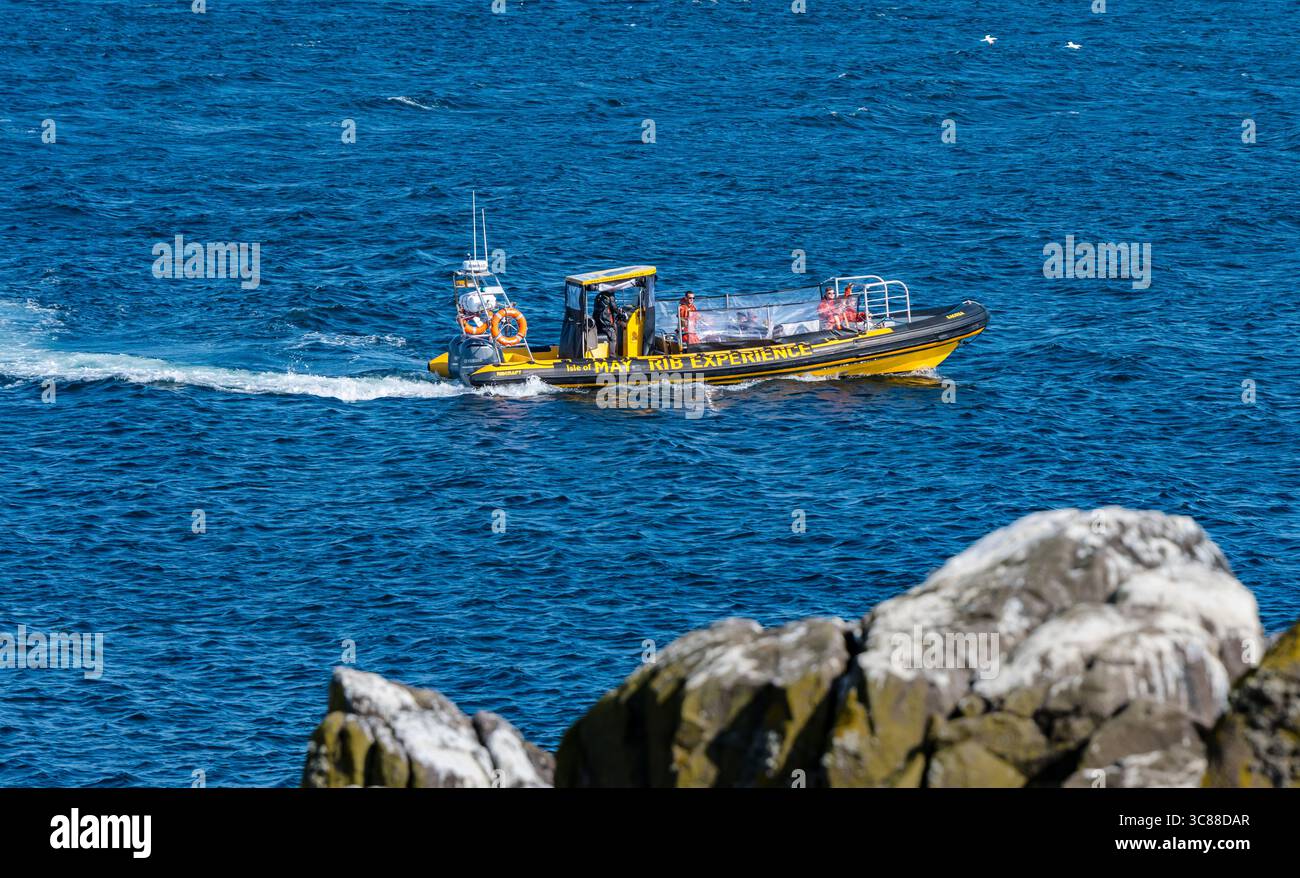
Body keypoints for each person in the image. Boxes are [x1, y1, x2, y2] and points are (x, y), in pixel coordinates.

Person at [592, 286, 620, 356]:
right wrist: (620, 312)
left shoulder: (599, 296)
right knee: (613, 337)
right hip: (606, 323)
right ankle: (612, 356)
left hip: (598, 323)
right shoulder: (610, 297)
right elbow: (614, 308)